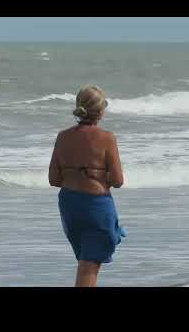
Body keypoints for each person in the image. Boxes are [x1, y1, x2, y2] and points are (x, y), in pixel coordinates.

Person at [49, 85, 125, 287]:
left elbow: (54, 179)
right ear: (101, 111)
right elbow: (118, 181)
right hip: (96, 206)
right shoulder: (107, 139)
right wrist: (96, 175)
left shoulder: (62, 137)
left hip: (70, 205)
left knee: (86, 262)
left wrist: (77, 174)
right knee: (89, 266)